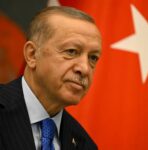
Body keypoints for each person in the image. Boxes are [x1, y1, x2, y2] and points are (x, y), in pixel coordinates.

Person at [0, 6, 101, 150]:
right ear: (32, 55)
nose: (85, 68)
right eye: (71, 51)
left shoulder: (85, 145)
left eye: (93, 58)